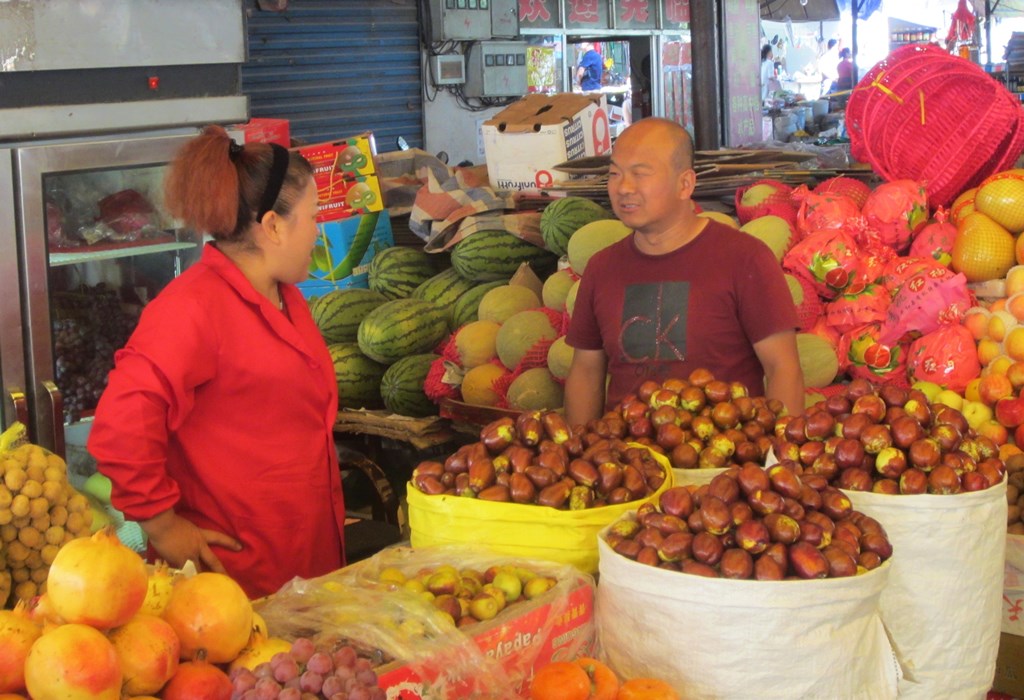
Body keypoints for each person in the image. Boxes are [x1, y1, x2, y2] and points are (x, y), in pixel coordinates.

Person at [88, 125, 346, 598]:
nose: (319, 232)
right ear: (272, 226)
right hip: (236, 585)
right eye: (314, 217)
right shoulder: (192, 309)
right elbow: (121, 428)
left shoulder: (285, 295)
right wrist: (163, 526)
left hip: (304, 564)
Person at [563, 118, 804, 428]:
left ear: (685, 184)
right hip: (625, 466)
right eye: (614, 174)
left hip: (722, 463)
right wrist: (577, 451)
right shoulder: (601, 268)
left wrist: (776, 458)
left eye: (640, 174)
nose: (623, 187)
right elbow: (585, 372)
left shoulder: (745, 258)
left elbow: (783, 369)